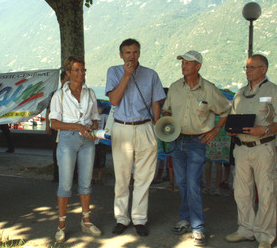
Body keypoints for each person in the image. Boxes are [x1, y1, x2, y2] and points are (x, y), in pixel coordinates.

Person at [162, 50, 231, 246]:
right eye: (182, 62)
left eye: (188, 63)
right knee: (182, 183)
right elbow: (167, 108)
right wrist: (166, 118)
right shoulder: (175, 87)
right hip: (176, 140)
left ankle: (198, 227)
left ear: (198, 66)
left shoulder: (208, 89)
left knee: (192, 183)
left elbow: (226, 109)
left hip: (196, 143)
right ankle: (185, 219)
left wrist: (216, 130)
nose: (183, 66)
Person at [105, 38, 166, 236]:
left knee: (144, 177)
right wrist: (126, 76)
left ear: (139, 53)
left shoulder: (151, 74)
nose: (132, 56)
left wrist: (156, 127)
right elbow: (114, 99)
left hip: (145, 127)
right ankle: (121, 218)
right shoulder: (114, 72)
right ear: (121, 55)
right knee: (122, 177)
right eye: (127, 53)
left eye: (135, 52)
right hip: (122, 128)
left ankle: (139, 218)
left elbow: (157, 103)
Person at [225, 54, 276, 248]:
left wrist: (264, 129)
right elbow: (233, 117)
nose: (247, 71)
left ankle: (265, 235)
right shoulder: (240, 93)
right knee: (242, 192)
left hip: (263, 146)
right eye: (246, 68)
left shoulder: (273, 91)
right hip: (242, 148)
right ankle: (246, 229)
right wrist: (231, 129)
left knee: (266, 192)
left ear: (263, 69)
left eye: (252, 67)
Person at [49, 56, 101, 242]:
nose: (81, 74)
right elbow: (54, 123)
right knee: (65, 184)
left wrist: (93, 128)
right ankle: (61, 225)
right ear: (68, 73)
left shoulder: (90, 93)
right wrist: (78, 127)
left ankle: (86, 221)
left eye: (83, 70)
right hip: (67, 139)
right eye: (77, 70)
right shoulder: (59, 95)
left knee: (86, 182)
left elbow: (95, 117)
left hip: (87, 140)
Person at [45, 71, 69, 183]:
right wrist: (47, 126)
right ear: (62, 80)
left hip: (70, 127)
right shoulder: (55, 94)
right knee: (57, 153)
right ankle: (57, 176)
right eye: (67, 79)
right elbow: (48, 110)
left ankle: (72, 176)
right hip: (57, 128)